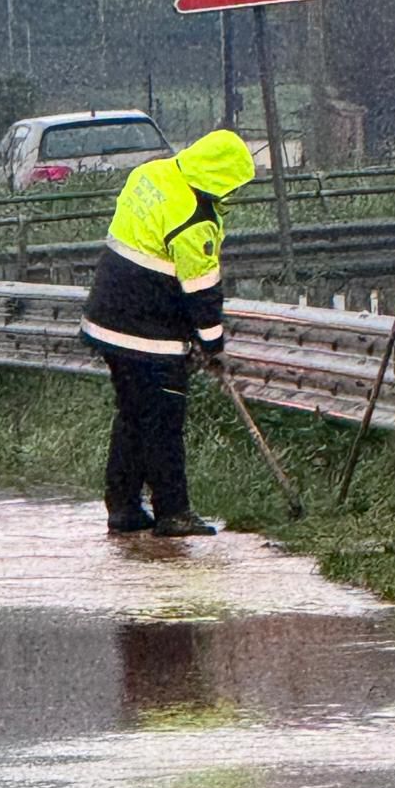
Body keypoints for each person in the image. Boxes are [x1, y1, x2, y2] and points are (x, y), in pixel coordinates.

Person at [80, 128, 255, 536]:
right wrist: (213, 345)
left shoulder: (153, 173)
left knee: (132, 415)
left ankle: (123, 507)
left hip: (106, 319)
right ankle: (173, 512)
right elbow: (201, 291)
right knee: (163, 422)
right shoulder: (196, 217)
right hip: (149, 334)